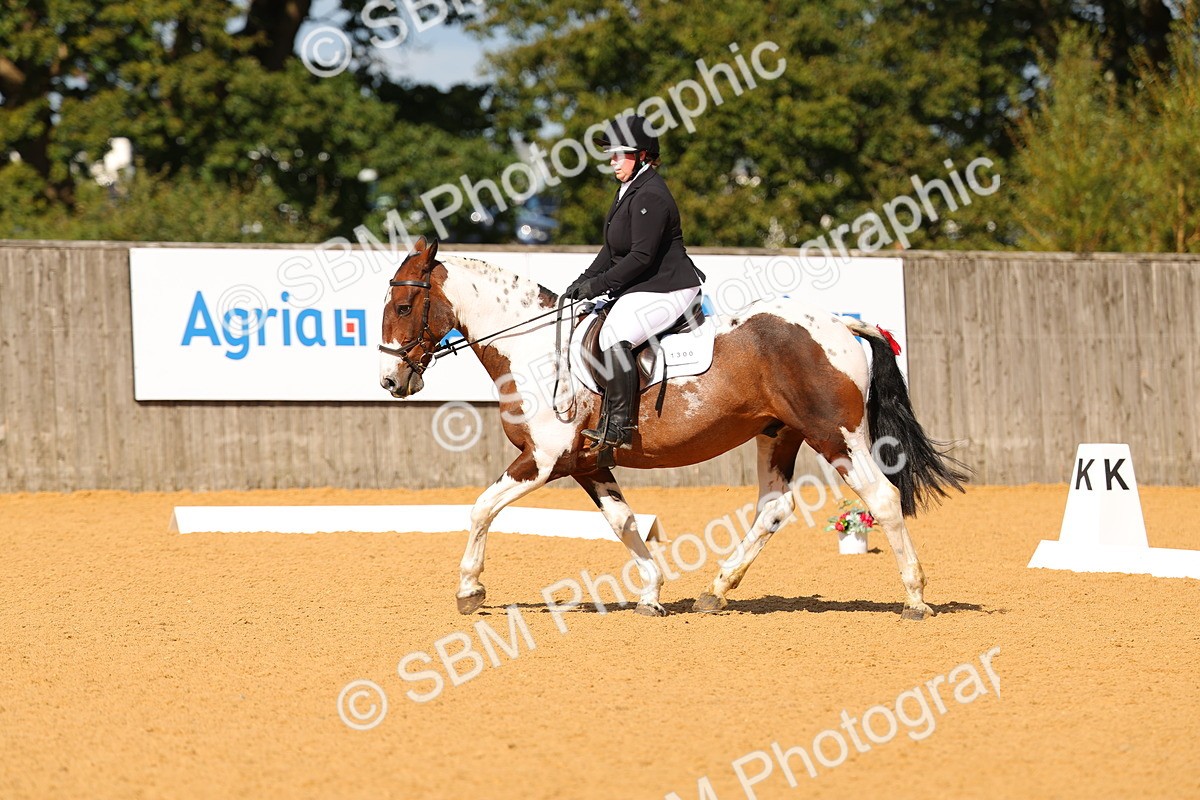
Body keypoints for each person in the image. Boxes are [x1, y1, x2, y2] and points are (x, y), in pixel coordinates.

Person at [562, 114, 704, 451]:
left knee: (614, 334)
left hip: (671, 286)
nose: (612, 161)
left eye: (618, 154)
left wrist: (598, 286)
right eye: (611, 154)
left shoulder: (650, 194)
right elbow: (611, 249)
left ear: (641, 155)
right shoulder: (628, 189)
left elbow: (640, 257)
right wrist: (583, 281)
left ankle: (620, 426)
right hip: (647, 284)